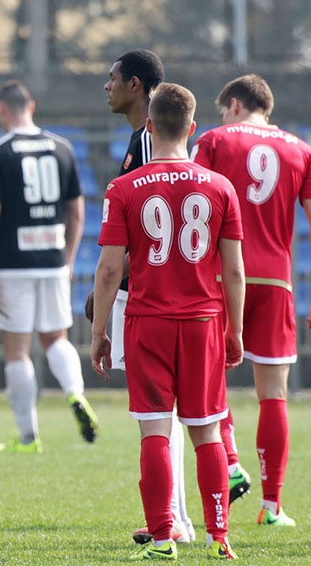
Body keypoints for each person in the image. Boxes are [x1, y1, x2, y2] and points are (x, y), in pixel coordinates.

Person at [91, 82, 245, 561]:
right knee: (207, 431)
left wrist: (99, 331)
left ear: (150, 125)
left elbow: (110, 268)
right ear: (194, 129)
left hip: (147, 321)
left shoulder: (123, 188)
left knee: (155, 429)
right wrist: (235, 330)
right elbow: (235, 270)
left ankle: (163, 538)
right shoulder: (220, 187)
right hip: (203, 322)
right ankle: (219, 537)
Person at [191, 74, 311, 526]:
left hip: (218, 274)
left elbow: (193, 199)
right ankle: (272, 506)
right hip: (276, 279)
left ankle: (230, 460)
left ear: (234, 105)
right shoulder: (302, 150)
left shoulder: (214, 140)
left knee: (208, 377)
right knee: (274, 394)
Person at [95, 48, 197, 544]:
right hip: (177, 298)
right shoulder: (150, 139)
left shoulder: (149, 141)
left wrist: (110, 285)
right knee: (174, 413)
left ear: (136, 85)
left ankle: (173, 519)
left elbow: (146, 232)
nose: (106, 87)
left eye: (112, 79)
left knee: (159, 413)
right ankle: (180, 516)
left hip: (152, 299)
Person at [0, 80, 98, 453]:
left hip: (12, 264)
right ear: (32, 105)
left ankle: (28, 436)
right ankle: (75, 393)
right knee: (55, 338)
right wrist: (69, 257)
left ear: (2, 110)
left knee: (17, 350)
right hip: (53, 259)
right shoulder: (62, 148)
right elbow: (77, 212)